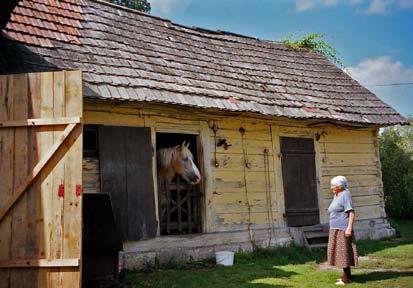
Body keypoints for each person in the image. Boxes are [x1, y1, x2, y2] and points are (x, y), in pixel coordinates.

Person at [327, 176, 358, 285]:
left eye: (333, 186)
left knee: (344, 253)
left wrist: (349, 227)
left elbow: (351, 212)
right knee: (340, 253)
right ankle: (347, 277)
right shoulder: (337, 195)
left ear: (340, 186)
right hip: (335, 228)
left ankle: (346, 280)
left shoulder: (345, 194)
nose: (331, 188)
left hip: (342, 229)